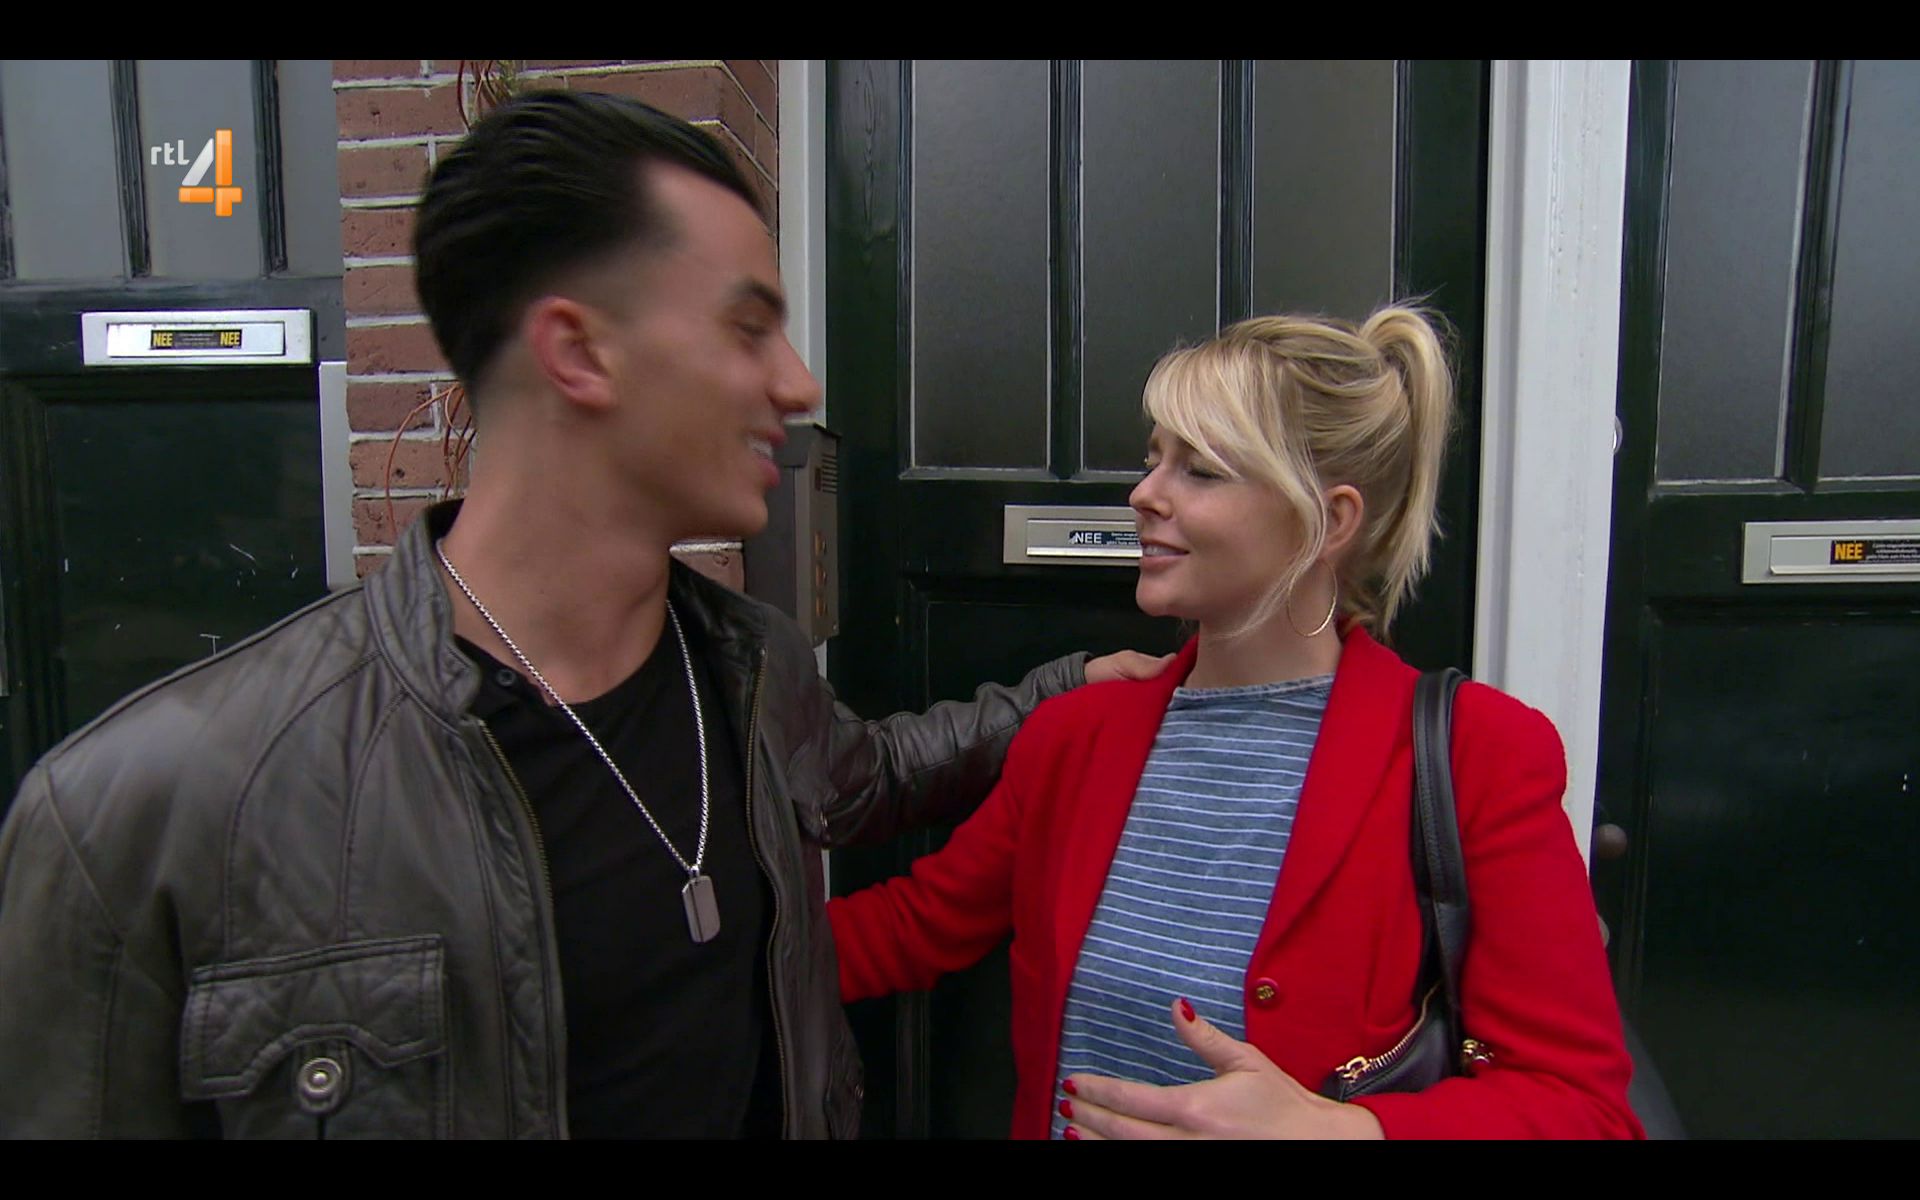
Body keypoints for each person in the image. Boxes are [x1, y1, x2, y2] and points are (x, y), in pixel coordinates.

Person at [0, 91, 1165, 1139]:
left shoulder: (754, 668)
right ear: (577, 351)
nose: (800, 383)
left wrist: (1060, 693)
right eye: (748, 327)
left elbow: (867, 779)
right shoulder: (141, 816)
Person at [827, 306, 1644, 1139]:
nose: (1144, 494)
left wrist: (1339, 1132)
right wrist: (737, 935)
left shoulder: (1476, 754)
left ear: (1329, 521)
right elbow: (907, 929)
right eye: (1153, 459)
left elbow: (1584, 1110)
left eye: (1201, 470)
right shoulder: (1076, 738)